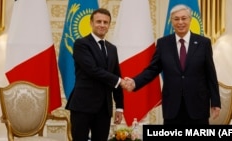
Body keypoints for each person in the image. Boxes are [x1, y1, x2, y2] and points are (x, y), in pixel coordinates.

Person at [123, 4, 221, 125]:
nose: (180, 22)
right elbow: (152, 69)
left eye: (184, 18)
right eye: (176, 19)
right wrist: (135, 82)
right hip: (172, 107)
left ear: (190, 20)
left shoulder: (203, 43)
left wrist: (215, 102)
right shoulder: (163, 43)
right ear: (171, 21)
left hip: (198, 106)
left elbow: (211, 74)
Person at [65, 8, 125, 141]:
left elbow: (116, 75)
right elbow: (93, 70)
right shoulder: (81, 44)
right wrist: (120, 81)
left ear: (109, 25)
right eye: (99, 21)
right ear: (91, 23)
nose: (102, 25)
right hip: (82, 106)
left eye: (105, 22)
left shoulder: (112, 48)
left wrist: (120, 107)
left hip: (104, 109)